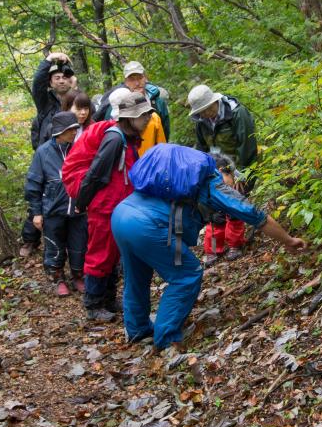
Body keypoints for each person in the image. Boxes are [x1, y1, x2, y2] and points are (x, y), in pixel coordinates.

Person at [111, 144, 305, 352]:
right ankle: (166, 339)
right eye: (232, 180)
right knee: (186, 274)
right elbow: (253, 213)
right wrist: (288, 240)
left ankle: (138, 329)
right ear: (223, 171)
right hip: (146, 226)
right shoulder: (211, 182)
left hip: (122, 216)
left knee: (137, 275)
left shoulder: (178, 179)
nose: (233, 186)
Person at [61, 92, 155, 321]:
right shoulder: (115, 139)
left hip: (116, 203)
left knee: (114, 253)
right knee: (101, 253)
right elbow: (96, 174)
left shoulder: (128, 137)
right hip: (104, 206)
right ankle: (93, 304)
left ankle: (109, 299)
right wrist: (81, 203)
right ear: (130, 118)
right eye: (143, 116)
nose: (147, 121)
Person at [187, 84, 258, 265]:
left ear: (215, 103)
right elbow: (202, 149)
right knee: (213, 214)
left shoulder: (237, 114)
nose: (203, 115)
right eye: (200, 112)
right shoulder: (201, 122)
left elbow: (247, 146)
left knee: (234, 208)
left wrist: (241, 174)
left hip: (238, 168)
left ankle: (235, 244)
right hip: (215, 169)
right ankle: (212, 249)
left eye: (205, 110)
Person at [24, 112, 87, 296]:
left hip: (78, 209)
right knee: (54, 245)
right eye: (71, 129)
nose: (75, 132)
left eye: (76, 128)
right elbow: (34, 184)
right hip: (52, 210)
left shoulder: (79, 149)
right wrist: (36, 212)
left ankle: (78, 275)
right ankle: (57, 277)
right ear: (60, 131)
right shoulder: (43, 152)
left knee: (79, 244)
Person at [20, 52, 75, 258]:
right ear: (51, 83)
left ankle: (68, 241)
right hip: (46, 156)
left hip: (69, 154)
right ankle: (30, 239)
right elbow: (37, 84)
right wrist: (49, 59)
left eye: (64, 77)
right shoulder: (45, 103)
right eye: (57, 78)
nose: (61, 81)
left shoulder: (74, 100)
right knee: (40, 196)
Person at [94, 61, 171, 140]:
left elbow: (165, 131)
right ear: (126, 82)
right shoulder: (118, 103)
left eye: (140, 78)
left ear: (146, 78)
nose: (137, 83)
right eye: (132, 79)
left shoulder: (158, 102)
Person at [106, 87, 166, 156]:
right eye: (143, 114)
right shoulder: (116, 139)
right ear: (129, 117)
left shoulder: (132, 138)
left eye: (149, 113)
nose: (148, 118)